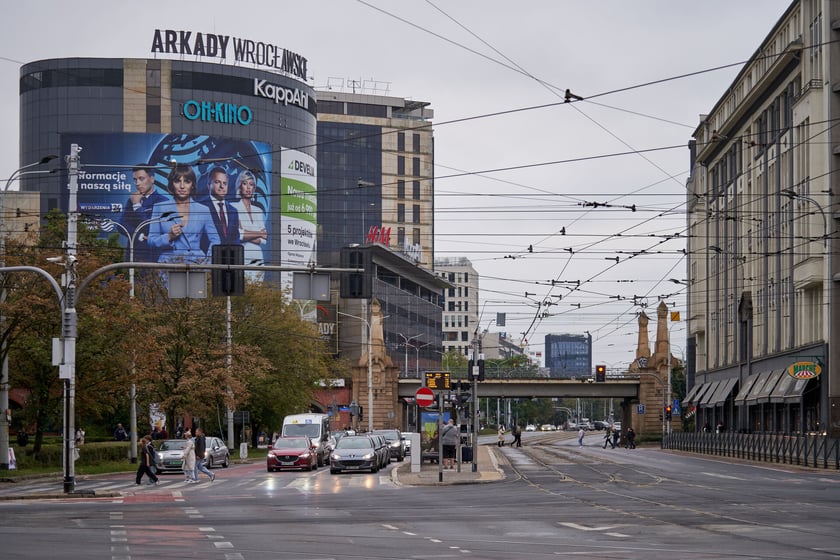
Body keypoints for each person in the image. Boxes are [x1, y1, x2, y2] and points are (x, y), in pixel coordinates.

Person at [148, 164, 220, 264]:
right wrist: (169, 236)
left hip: (197, 265)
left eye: (187, 181)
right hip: (168, 265)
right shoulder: (159, 207)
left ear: (193, 185)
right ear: (171, 184)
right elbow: (151, 241)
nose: (182, 186)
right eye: (177, 181)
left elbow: (216, 240)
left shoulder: (203, 210)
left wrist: (207, 262)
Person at [119, 164, 169, 263]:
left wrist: (137, 206)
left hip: (153, 257)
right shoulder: (132, 200)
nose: (137, 183)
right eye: (135, 180)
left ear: (152, 179)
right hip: (133, 256)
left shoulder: (163, 201)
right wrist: (140, 236)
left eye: (141, 179)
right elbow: (121, 225)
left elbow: (151, 227)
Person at [232, 170, 267, 279]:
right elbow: (239, 235)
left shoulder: (258, 211)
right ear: (239, 186)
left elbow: (265, 239)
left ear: (254, 188)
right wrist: (259, 233)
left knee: (259, 292)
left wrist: (247, 233)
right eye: (245, 183)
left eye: (251, 184)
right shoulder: (234, 207)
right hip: (242, 256)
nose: (248, 188)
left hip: (258, 257)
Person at [203, 167, 241, 246]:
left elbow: (235, 239)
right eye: (217, 182)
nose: (222, 186)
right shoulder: (201, 207)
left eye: (225, 183)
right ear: (209, 185)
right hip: (207, 256)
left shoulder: (233, 211)